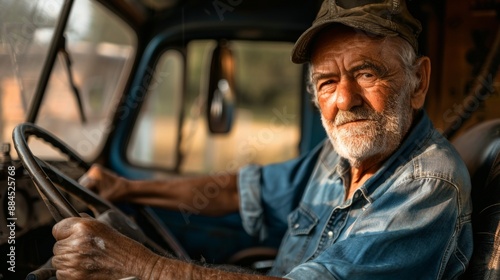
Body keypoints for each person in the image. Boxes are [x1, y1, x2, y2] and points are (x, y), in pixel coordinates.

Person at [51, 0, 473, 279]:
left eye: (366, 74)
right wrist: (128, 188)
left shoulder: (427, 185)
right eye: (327, 82)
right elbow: (240, 190)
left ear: (419, 81)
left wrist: (136, 263)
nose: (344, 99)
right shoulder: (337, 157)